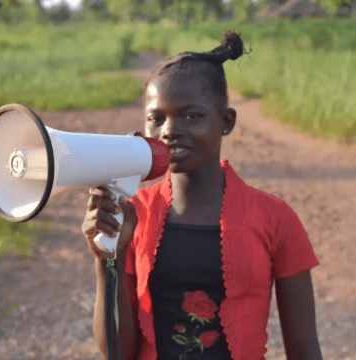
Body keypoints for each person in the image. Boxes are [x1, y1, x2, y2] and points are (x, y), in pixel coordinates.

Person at [82, 30, 323, 360]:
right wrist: (107, 259)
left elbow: (305, 347)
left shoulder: (276, 219)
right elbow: (117, 353)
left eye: (191, 116)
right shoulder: (132, 215)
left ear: (226, 121)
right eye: (156, 118)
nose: (169, 130)